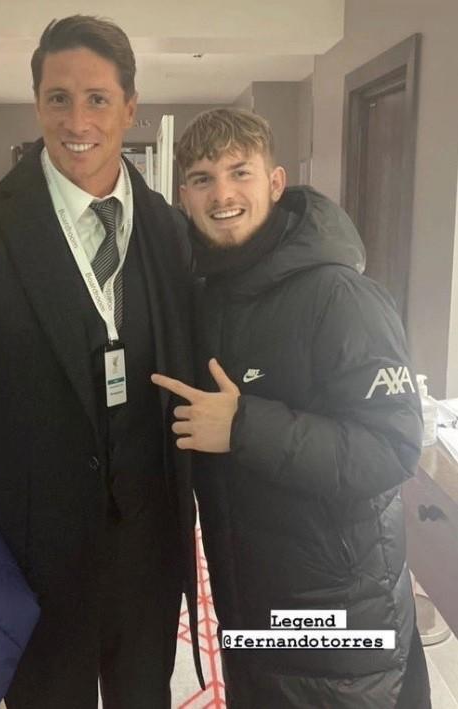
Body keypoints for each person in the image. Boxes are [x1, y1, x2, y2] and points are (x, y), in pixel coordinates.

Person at [0, 15, 203, 708]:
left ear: (129, 107)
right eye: (58, 97)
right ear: (37, 103)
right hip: (27, 561)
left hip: (148, 554)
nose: (76, 120)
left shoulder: (169, 231)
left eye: (97, 98)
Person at [152, 107, 431, 708]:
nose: (222, 194)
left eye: (240, 172)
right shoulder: (210, 294)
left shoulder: (341, 295)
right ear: (184, 197)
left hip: (337, 617)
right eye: (202, 179)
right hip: (249, 597)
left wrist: (244, 426)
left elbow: (392, 449)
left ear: (275, 182)